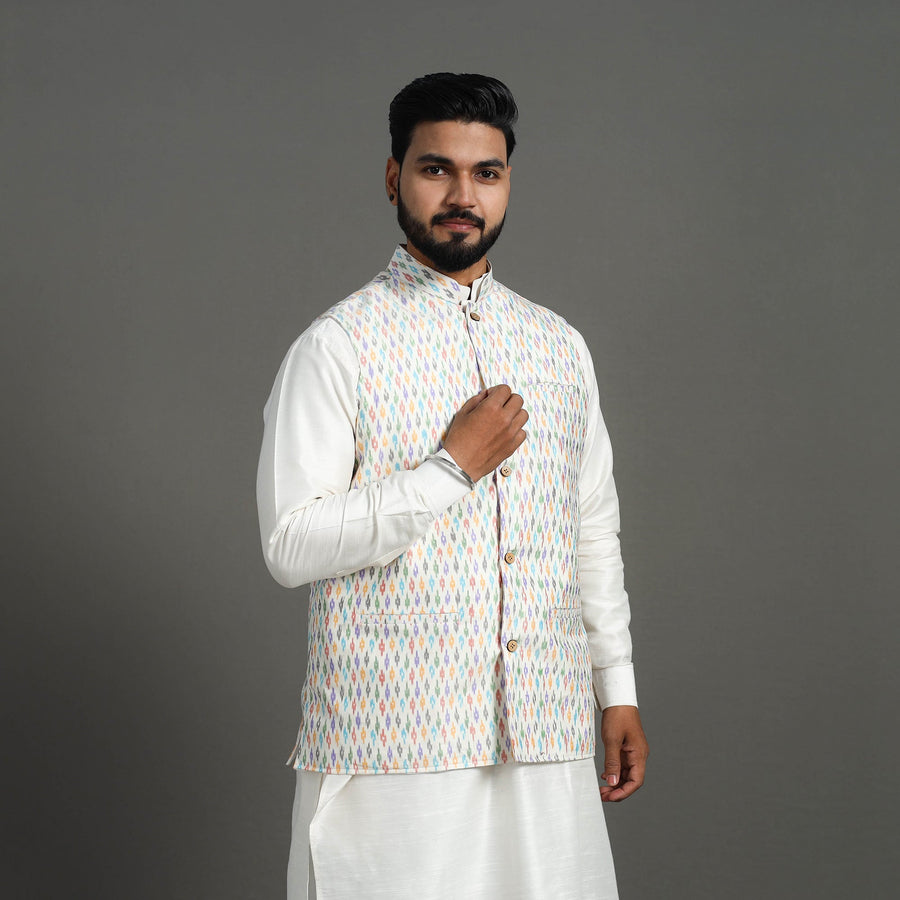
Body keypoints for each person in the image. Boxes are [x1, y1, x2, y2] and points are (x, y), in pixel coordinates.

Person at [256, 72, 648, 900]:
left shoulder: (558, 346)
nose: (463, 196)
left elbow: (590, 528)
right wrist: (448, 472)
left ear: (508, 183)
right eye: (437, 169)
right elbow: (291, 544)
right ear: (393, 177)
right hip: (391, 747)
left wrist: (616, 689)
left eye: (486, 173)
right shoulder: (339, 346)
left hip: (543, 736)